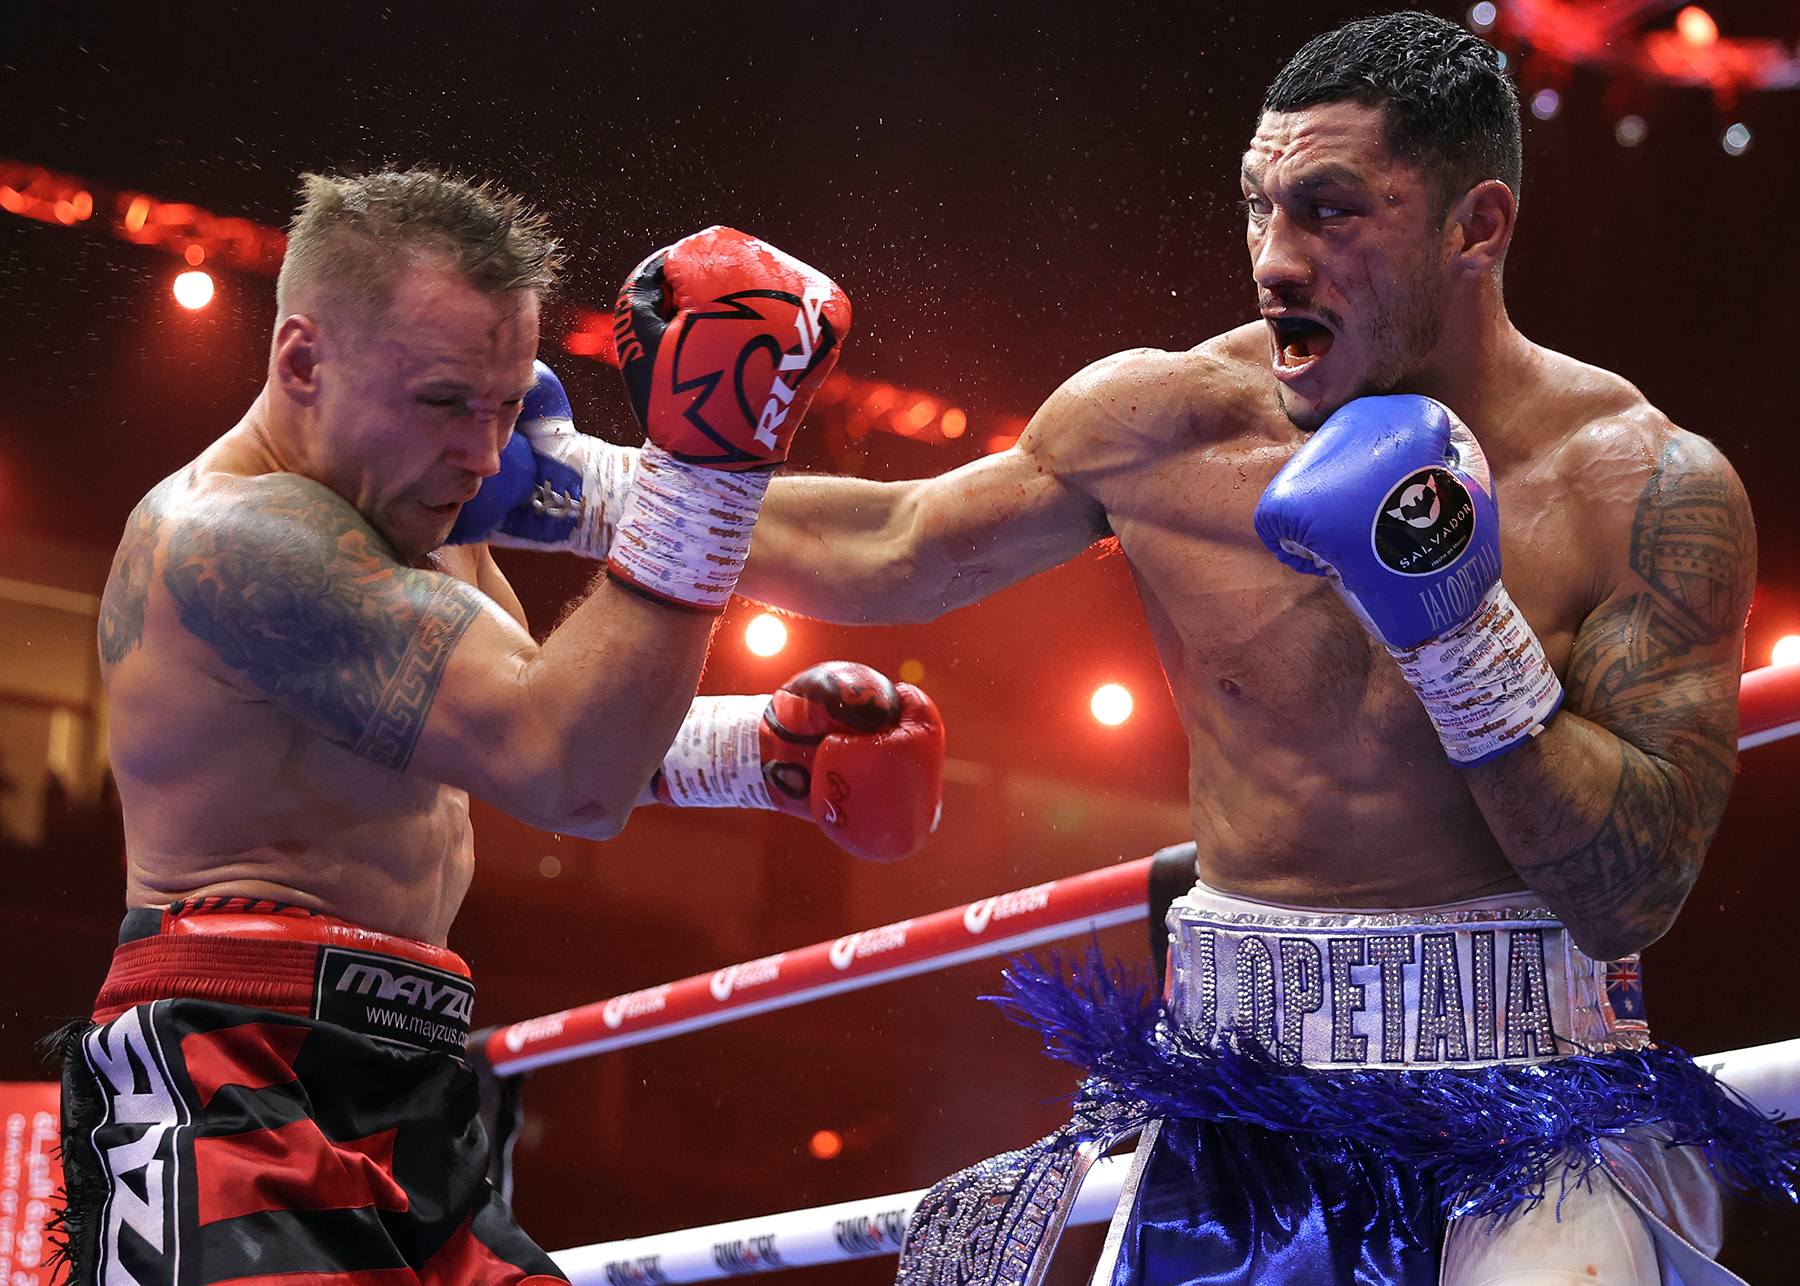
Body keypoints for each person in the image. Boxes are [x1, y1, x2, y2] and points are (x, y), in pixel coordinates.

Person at [464, 13, 1786, 1283]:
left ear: (1476, 227)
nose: (1275, 258)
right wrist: (577, 488)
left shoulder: (1642, 488)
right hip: (1237, 1103)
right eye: (1259, 207)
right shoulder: (1172, 420)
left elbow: (1633, 891)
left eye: (1329, 210)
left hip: (1534, 1115)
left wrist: (1459, 628)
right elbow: (902, 540)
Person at [59, 171, 944, 1286]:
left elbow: (529, 725)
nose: (486, 456)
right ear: (302, 361)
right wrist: (702, 477)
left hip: (409, 1074)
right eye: (444, 402)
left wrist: (752, 755)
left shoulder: (422, 513)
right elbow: (563, 768)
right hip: (230, 1068)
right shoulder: (238, 539)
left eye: (502, 403)